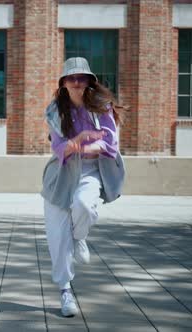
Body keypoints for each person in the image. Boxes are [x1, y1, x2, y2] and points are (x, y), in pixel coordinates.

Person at [40, 57, 126, 317]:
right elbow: (59, 147)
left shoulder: (102, 107)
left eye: (81, 78)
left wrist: (87, 146)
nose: (76, 83)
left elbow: (110, 142)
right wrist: (77, 141)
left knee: (85, 206)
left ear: (89, 81)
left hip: (91, 171)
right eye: (71, 78)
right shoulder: (56, 111)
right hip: (61, 173)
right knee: (57, 237)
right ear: (63, 83)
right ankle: (65, 291)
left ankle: (80, 237)